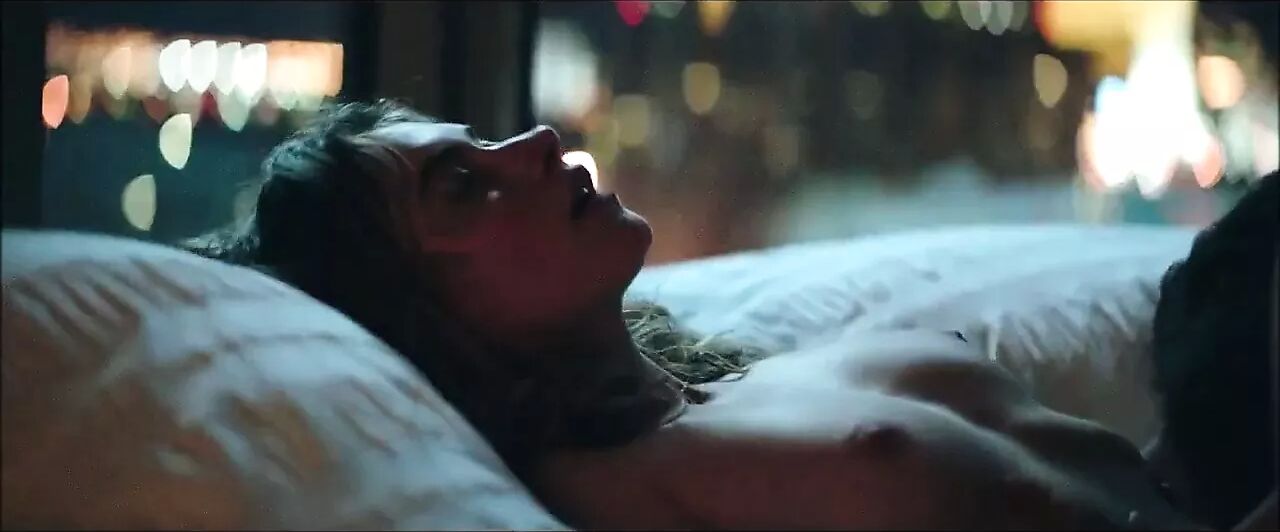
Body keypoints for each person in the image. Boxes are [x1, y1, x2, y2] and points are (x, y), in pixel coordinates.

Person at [187, 99, 1257, 529]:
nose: (536, 144)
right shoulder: (598, 493)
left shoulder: (716, 385)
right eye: (463, 187)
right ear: (413, 313)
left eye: (481, 142)